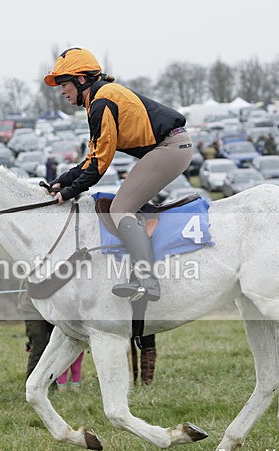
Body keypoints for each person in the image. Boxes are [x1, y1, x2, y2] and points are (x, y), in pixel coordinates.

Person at [44, 47, 193, 302]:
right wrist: (63, 181)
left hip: (170, 148)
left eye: (64, 83)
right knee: (125, 205)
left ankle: (147, 280)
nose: (62, 91)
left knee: (120, 208)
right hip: (170, 147)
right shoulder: (99, 98)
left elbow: (100, 165)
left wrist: (70, 192)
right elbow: (93, 158)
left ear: (81, 80)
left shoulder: (102, 102)